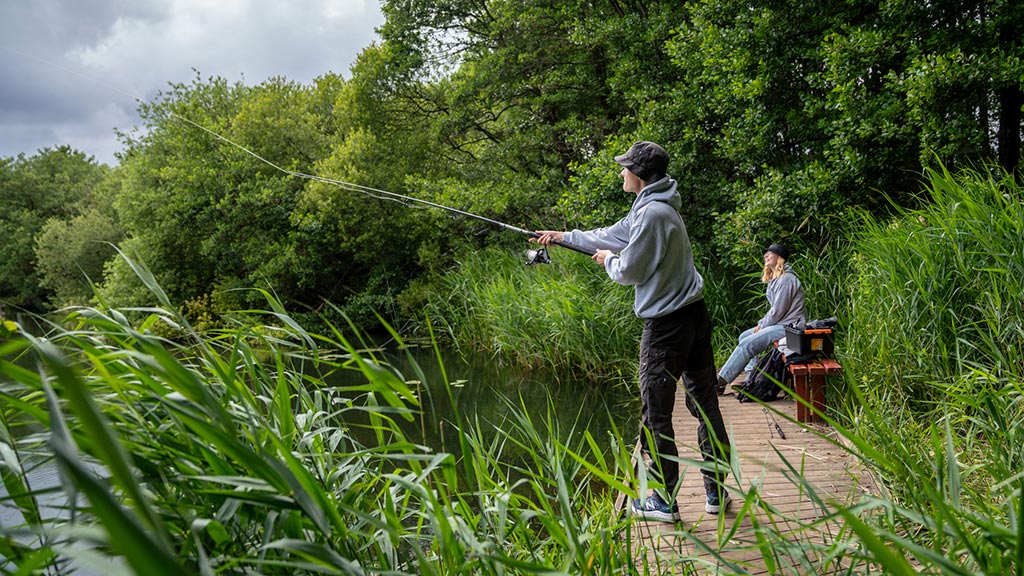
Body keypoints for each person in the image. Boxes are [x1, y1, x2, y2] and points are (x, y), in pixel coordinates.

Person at [532, 141, 731, 523]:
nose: (622, 173)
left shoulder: (653, 214)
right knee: (704, 405)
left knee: (656, 412)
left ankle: (662, 500)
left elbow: (630, 270)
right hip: (694, 316)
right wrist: (562, 236)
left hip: (667, 327)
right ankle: (715, 492)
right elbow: (612, 233)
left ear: (639, 175)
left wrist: (609, 262)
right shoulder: (656, 207)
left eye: (625, 168)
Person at [716, 244, 806, 393]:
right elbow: (775, 311)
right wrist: (762, 325)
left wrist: (762, 325)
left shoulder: (787, 279)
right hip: (781, 324)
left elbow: (777, 311)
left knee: (747, 343)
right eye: (765, 254)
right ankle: (751, 377)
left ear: (780, 257)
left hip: (791, 327)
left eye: (770, 253)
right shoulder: (776, 279)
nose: (766, 255)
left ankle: (720, 382)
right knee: (744, 336)